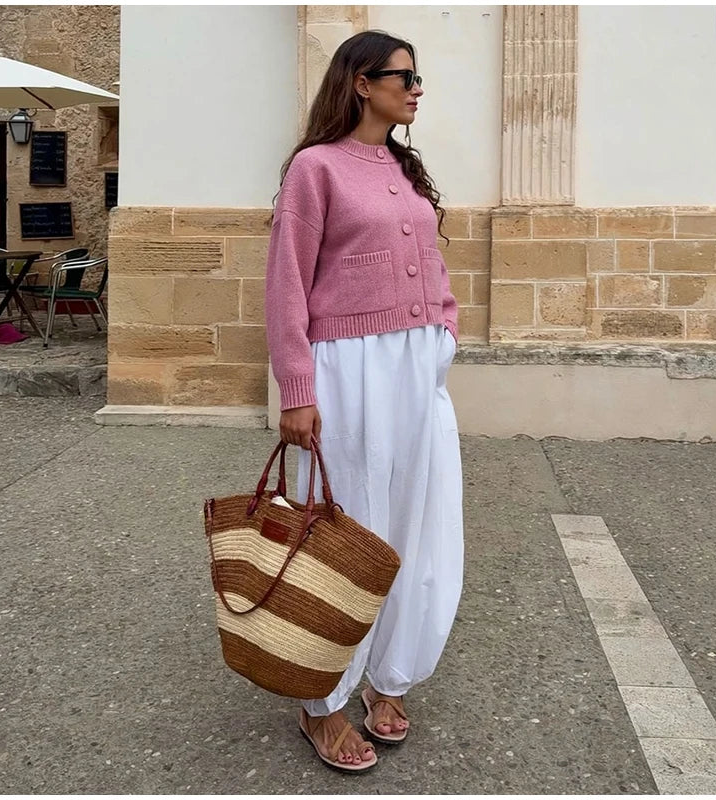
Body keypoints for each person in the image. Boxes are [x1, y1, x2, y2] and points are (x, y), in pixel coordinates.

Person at [265, 29, 464, 773]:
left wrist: (444, 327)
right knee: (345, 529)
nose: (416, 89)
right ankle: (323, 701)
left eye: (417, 78)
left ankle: (391, 674)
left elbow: (431, 260)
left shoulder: (401, 166)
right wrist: (297, 388)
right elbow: (286, 282)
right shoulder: (314, 169)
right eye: (403, 77)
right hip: (348, 368)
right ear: (360, 83)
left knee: (416, 520)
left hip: (418, 368)